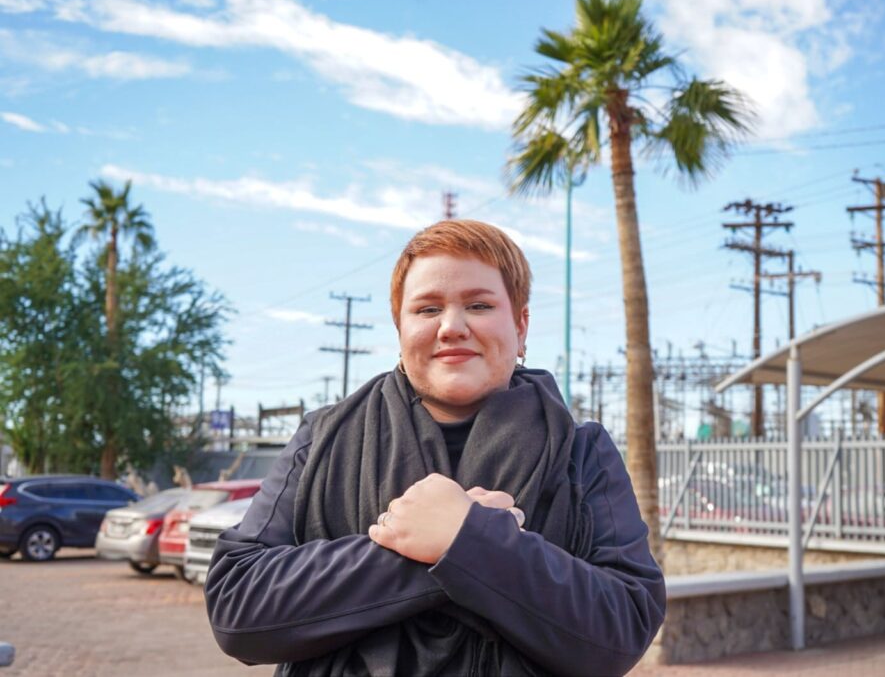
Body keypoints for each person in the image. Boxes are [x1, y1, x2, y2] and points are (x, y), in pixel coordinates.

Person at [205, 220, 666, 676]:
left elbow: (622, 628)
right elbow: (237, 605)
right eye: (427, 309)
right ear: (399, 329)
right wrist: (441, 549)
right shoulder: (322, 437)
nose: (452, 327)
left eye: (479, 305)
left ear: (521, 326)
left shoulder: (581, 452)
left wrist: (467, 542)